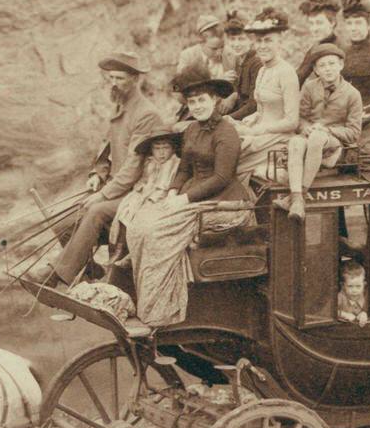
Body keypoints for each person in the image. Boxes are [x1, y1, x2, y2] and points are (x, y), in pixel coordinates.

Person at [125, 65, 248, 327]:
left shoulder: (227, 132)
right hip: (192, 193)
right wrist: (171, 190)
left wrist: (183, 200)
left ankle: (160, 312)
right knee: (139, 226)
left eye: (201, 100)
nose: (197, 106)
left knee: (159, 232)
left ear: (214, 100)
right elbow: (183, 167)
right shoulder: (191, 130)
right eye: (192, 102)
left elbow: (222, 177)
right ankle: (143, 300)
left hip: (225, 201)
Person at [30, 51, 163, 288]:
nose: (114, 83)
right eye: (111, 78)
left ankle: (57, 276)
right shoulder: (119, 109)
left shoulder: (146, 114)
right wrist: (97, 175)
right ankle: (91, 270)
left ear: (135, 80)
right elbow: (106, 150)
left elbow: (133, 167)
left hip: (137, 193)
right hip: (115, 188)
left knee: (96, 212)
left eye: (120, 79)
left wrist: (103, 194)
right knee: (63, 222)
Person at [275, 44, 363, 220]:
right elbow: (300, 118)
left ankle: (299, 195)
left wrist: (327, 129)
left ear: (341, 65)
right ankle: (298, 198)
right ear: (315, 69)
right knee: (296, 142)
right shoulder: (309, 87)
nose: (328, 69)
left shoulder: (352, 94)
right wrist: (306, 127)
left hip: (335, 145)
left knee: (317, 137)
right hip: (310, 137)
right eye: (322, 65)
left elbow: (353, 132)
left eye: (331, 64)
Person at [234, 7, 300, 179]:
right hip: (259, 132)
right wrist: (253, 118)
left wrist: (258, 130)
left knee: (230, 159)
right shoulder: (263, 70)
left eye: (268, 41)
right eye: (259, 41)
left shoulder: (286, 73)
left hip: (278, 139)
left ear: (280, 42)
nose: (262, 46)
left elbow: (292, 121)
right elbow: (263, 109)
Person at [109, 125, 182, 265]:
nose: (161, 153)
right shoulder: (150, 163)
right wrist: (140, 191)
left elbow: (172, 186)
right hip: (146, 194)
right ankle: (120, 250)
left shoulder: (175, 164)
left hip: (162, 198)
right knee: (126, 211)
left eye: (165, 148)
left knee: (140, 219)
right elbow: (143, 181)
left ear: (173, 148)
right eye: (157, 148)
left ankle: (133, 254)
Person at [296, 0, 346, 84]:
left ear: (332, 22)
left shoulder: (342, 49)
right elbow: (299, 77)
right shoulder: (314, 49)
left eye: (319, 23)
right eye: (311, 23)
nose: (314, 28)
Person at [222, 13, 263, 120]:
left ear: (251, 40)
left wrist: (227, 119)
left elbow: (253, 105)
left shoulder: (256, 63)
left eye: (241, 39)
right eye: (232, 39)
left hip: (252, 118)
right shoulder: (239, 60)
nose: (236, 44)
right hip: (239, 114)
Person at [177, 14, 226, 78]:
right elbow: (181, 82)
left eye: (222, 47)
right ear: (201, 43)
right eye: (214, 49)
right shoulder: (188, 56)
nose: (219, 53)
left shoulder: (229, 56)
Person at [337, 260, 369, 325]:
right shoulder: (340, 296)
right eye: (350, 286)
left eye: (358, 286)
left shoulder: (366, 296)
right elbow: (328, 313)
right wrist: (344, 314)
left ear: (364, 285)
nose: (354, 290)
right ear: (343, 286)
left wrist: (364, 313)